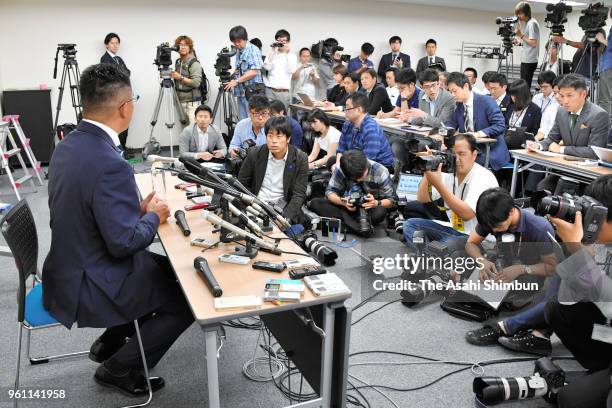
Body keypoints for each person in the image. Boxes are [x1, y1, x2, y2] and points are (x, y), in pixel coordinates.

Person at [42, 63, 193, 396]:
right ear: (126, 107)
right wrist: (154, 216)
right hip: (93, 278)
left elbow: (87, 206)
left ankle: (112, 339)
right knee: (187, 298)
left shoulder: (68, 144)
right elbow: (124, 244)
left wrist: (134, 210)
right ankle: (119, 366)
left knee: (172, 272)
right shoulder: (111, 162)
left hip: (69, 263)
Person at [543, 174, 612, 408]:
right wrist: (574, 251)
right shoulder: (602, 241)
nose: (588, 222)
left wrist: (579, 256)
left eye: (596, 217)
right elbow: (567, 300)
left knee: (570, 401)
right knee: (556, 309)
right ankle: (602, 370)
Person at [464, 188, 558, 355]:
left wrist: (521, 269)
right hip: (502, 262)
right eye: (490, 228)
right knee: (468, 267)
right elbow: (470, 244)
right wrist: (482, 262)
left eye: (498, 227)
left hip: (530, 272)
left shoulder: (539, 227)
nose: (495, 231)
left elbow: (552, 268)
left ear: (512, 211)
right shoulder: (492, 218)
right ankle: (503, 301)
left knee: (529, 289)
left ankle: (516, 306)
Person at [402, 133, 499, 248]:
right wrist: (428, 169)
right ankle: (432, 254)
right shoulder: (449, 171)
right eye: (453, 154)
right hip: (454, 229)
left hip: (479, 239)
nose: (457, 159)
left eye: (462, 154)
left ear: (474, 155)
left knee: (449, 243)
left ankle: (432, 253)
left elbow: (466, 214)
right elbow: (422, 198)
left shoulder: (483, 176)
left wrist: (438, 185)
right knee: (410, 225)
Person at [309, 149, 397, 237]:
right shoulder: (341, 168)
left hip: (369, 209)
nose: (359, 180)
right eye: (355, 178)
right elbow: (330, 192)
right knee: (315, 203)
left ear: (366, 165)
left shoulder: (381, 172)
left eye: (362, 175)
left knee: (381, 211)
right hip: (346, 206)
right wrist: (342, 202)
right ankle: (360, 229)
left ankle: (336, 225)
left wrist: (376, 203)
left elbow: (392, 201)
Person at [237, 116, 308, 224]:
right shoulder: (255, 154)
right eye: (270, 136)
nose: (274, 141)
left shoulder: (300, 158)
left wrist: (285, 218)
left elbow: (299, 194)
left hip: (283, 209)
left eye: (279, 136)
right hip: (255, 206)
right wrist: (250, 206)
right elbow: (242, 184)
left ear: (288, 138)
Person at [527, 74, 609, 163]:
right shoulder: (561, 111)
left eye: (569, 95)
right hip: (563, 167)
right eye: (562, 96)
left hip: (586, 171)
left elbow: (594, 152)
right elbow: (552, 138)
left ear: (583, 94)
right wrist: (538, 146)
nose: (565, 101)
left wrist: (562, 149)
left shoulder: (598, 115)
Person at [445, 72, 509, 172]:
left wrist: (478, 134)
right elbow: (451, 123)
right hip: (470, 148)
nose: (452, 95)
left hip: (489, 150)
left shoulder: (486, 101)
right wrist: (443, 131)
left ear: (465, 86)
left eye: (454, 91)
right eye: (450, 92)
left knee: (461, 162)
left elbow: (500, 125)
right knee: (445, 157)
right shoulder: (460, 106)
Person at [335, 93, 395, 171]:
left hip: (378, 166)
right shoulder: (347, 124)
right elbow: (341, 149)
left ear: (359, 110)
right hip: (355, 162)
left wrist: (345, 169)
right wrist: (338, 165)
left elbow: (368, 160)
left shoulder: (370, 128)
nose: (345, 111)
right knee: (333, 162)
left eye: (347, 108)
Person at [224, 26, 264, 120]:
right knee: (243, 122)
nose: (236, 44)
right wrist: (232, 78)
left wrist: (237, 81)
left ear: (245, 39)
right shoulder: (239, 51)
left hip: (252, 93)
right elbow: (240, 69)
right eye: (234, 41)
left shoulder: (253, 50)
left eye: (239, 41)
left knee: (253, 121)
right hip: (241, 92)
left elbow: (255, 71)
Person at [100, 33, 131, 154]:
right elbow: (110, 78)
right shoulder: (104, 59)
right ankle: (117, 150)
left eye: (117, 43)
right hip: (114, 97)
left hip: (123, 96)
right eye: (112, 43)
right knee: (116, 124)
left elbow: (128, 73)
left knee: (125, 122)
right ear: (106, 44)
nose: (115, 45)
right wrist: (121, 73)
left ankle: (122, 148)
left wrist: (120, 73)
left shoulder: (118, 59)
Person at [170, 35, 203, 124]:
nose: (183, 47)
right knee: (185, 132)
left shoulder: (194, 62)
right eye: (180, 45)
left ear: (190, 47)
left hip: (192, 103)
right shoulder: (178, 62)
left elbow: (196, 83)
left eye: (186, 45)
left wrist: (179, 77)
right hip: (180, 102)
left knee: (194, 130)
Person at [263, 29, 297, 109]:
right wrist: (272, 52)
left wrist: (286, 53)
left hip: (283, 92)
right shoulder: (271, 55)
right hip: (270, 91)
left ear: (288, 42)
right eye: (279, 40)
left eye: (283, 41)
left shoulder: (292, 56)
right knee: (269, 117)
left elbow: (291, 70)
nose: (281, 43)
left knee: (282, 118)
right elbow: (265, 71)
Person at [513, 1, 540, 88]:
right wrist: (520, 43)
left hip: (529, 61)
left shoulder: (532, 23)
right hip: (527, 59)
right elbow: (529, 41)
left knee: (524, 86)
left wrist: (520, 35)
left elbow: (533, 43)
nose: (518, 16)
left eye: (520, 14)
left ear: (526, 12)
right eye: (517, 14)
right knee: (523, 85)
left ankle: (525, 101)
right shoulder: (529, 23)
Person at [532, 70, 560, 141]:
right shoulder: (536, 97)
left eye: (545, 87)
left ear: (553, 86)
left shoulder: (557, 101)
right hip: (538, 131)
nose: (542, 90)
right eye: (541, 87)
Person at [597, 18, 612, 116]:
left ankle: (604, 127)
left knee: (605, 100)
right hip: (606, 66)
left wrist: (602, 40)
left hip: (608, 67)